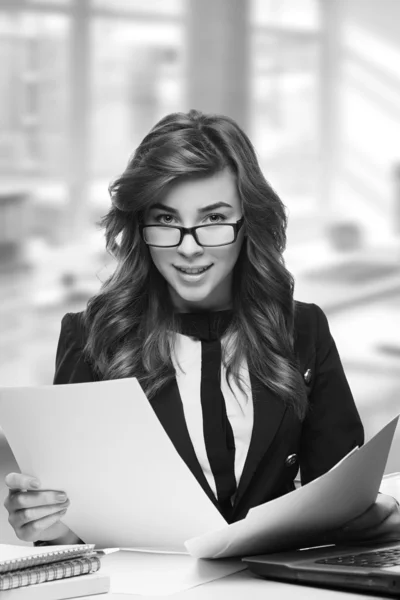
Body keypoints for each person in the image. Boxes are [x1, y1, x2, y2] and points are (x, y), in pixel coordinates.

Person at [4, 110, 400, 547]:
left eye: (213, 219)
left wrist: (379, 509)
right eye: (167, 220)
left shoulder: (302, 329)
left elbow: (343, 493)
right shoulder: (90, 336)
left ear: (248, 222)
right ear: (139, 225)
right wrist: (49, 523)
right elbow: (75, 529)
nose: (189, 248)